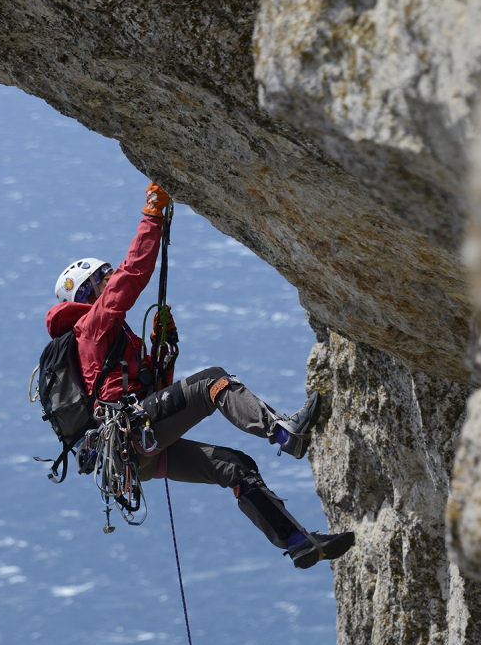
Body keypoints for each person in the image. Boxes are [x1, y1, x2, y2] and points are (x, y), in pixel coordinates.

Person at [45, 181, 355, 569]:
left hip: (135, 450)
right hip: (133, 434)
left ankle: (297, 540)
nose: (110, 279)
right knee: (213, 383)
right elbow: (134, 274)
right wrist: (152, 216)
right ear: (90, 291)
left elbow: (158, 392)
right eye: (103, 276)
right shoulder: (92, 325)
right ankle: (282, 431)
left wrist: (165, 349)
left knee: (235, 467)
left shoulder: (107, 334)